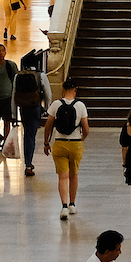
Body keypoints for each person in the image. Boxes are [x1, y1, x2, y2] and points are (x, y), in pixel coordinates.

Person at [49, 78, 90, 219]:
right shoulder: (80, 106)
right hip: (75, 143)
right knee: (74, 175)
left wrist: (46, 142)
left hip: (59, 143)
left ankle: (64, 206)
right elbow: (86, 128)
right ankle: (73, 204)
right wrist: (81, 139)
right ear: (75, 89)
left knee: (62, 176)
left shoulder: (55, 104)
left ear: (63, 89)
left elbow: (48, 125)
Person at [13, 50, 47, 177]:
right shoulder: (40, 75)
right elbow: (47, 93)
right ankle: (28, 164)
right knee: (31, 135)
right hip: (35, 107)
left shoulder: (18, 75)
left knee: (26, 133)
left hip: (23, 108)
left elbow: (13, 95)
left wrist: (13, 113)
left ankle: (27, 162)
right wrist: (47, 108)